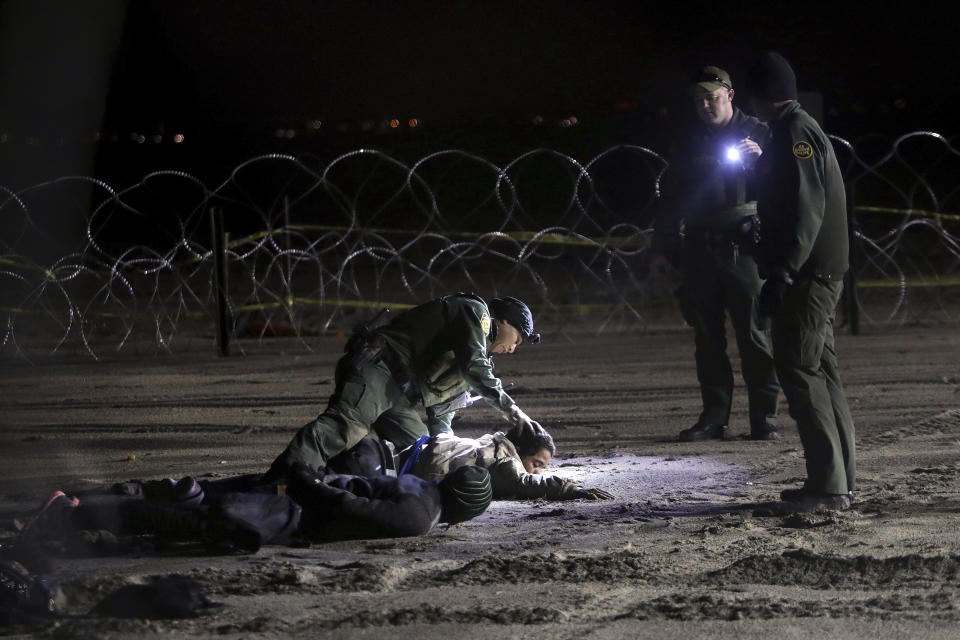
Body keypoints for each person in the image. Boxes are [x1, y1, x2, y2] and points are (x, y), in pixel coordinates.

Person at [744, 51, 856, 510]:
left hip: (807, 277)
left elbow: (806, 210)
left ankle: (828, 487)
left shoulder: (794, 132)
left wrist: (784, 271)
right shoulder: (796, 129)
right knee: (821, 373)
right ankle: (839, 479)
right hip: (814, 273)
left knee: (800, 371)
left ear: (760, 94)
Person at [269, 293, 545, 477]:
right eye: (517, 339)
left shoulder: (476, 357)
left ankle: (337, 478)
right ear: (504, 321)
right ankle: (282, 482)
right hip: (379, 370)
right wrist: (512, 410)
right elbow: (474, 365)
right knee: (343, 428)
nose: (512, 348)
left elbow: (443, 415)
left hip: (399, 397)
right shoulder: (475, 313)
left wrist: (447, 450)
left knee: (420, 454)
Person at [650, 65, 781, 442]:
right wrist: (662, 248)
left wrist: (762, 162)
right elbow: (672, 198)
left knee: (754, 337)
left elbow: (786, 189)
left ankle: (763, 417)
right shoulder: (689, 140)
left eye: (712, 97)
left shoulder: (760, 133)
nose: (706, 105)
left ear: (730, 95)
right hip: (699, 248)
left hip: (744, 247)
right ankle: (714, 417)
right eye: (698, 99)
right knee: (706, 339)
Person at [11, 464, 494, 551]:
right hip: (291, 512)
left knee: (194, 495)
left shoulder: (420, 491)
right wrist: (308, 483)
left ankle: (80, 500)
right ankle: (73, 513)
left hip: (292, 494)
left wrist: (308, 476)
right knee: (189, 519)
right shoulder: (419, 517)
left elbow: (359, 486)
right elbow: (349, 506)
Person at [394, 427, 613, 501]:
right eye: (536, 463)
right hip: (404, 473)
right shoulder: (504, 460)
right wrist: (571, 489)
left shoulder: (493, 442)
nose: (536, 471)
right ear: (520, 451)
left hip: (407, 456)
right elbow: (523, 482)